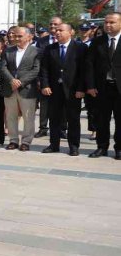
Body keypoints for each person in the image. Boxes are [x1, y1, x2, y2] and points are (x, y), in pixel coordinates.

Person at [39, 23, 87, 156]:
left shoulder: (80, 48)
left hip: (73, 90)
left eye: (61, 30)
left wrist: (81, 88)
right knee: (54, 118)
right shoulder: (50, 49)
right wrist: (45, 85)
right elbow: (44, 69)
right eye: (56, 30)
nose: (57, 32)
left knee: (73, 119)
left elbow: (84, 70)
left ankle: (74, 146)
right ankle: (54, 145)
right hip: (54, 90)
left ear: (71, 32)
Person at [85, 11, 121, 159]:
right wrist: (91, 86)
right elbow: (89, 65)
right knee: (101, 120)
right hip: (102, 88)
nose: (108, 25)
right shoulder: (97, 41)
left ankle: (119, 148)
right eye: (106, 22)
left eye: (112, 22)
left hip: (119, 88)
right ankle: (102, 147)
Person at [1, 26, 40, 152]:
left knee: (28, 117)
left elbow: (36, 69)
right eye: (15, 36)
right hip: (10, 88)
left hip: (27, 89)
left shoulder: (36, 51)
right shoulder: (8, 51)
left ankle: (26, 141)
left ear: (29, 37)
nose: (16, 38)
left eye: (20, 36)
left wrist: (21, 82)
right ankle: (13, 140)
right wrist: (11, 80)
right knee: (11, 116)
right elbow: (3, 68)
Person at [35, 17, 62, 138]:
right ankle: (43, 128)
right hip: (45, 77)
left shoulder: (68, 40)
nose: (52, 26)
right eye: (51, 24)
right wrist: (39, 79)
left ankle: (62, 129)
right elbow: (37, 59)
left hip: (62, 78)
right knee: (44, 104)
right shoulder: (41, 41)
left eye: (55, 24)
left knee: (62, 105)